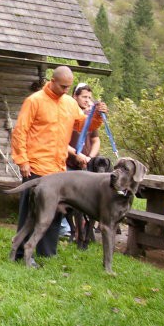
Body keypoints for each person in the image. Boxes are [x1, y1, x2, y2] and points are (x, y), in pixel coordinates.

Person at [11, 66, 108, 264]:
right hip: (35, 166)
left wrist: (97, 116)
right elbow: (20, 131)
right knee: (30, 214)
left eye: (68, 87)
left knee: (54, 215)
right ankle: (20, 253)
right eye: (63, 86)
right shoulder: (34, 101)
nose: (65, 90)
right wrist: (23, 161)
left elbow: (83, 126)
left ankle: (47, 254)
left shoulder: (70, 103)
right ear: (52, 80)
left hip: (57, 170)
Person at [59, 82, 102, 236]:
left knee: (83, 198)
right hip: (68, 163)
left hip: (85, 165)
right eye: (84, 96)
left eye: (89, 97)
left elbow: (96, 140)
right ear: (75, 96)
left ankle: (80, 231)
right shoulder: (68, 114)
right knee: (63, 197)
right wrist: (76, 153)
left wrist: (90, 157)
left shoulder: (90, 116)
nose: (87, 100)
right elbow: (60, 141)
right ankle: (65, 229)